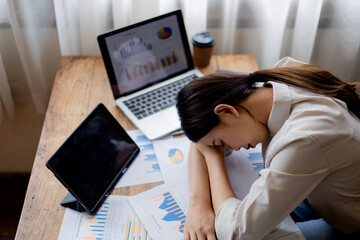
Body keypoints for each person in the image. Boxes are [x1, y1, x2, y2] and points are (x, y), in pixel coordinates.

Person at [176, 57, 360, 240]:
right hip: (319, 195)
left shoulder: (304, 138)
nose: (232, 148)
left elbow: (235, 233)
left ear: (227, 111)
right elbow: (199, 142)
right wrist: (198, 204)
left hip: (347, 224)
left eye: (220, 141)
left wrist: (213, 158)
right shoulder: (277, 78)